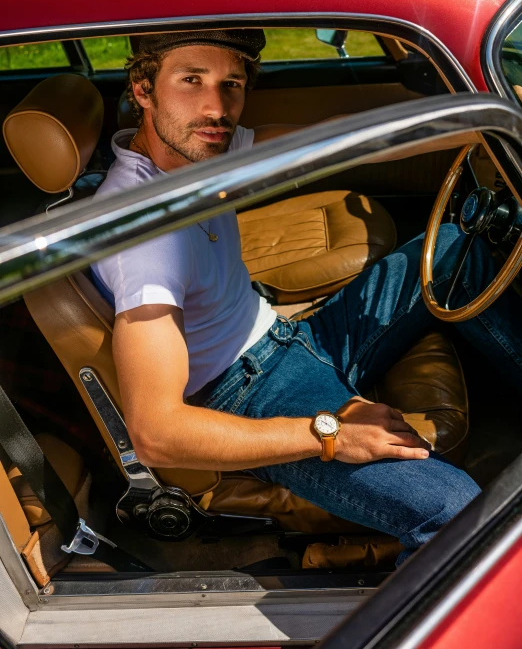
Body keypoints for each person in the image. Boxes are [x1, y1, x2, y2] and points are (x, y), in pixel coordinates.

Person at [92, 28, 522, 562]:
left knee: (458, 247)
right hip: (249, 398)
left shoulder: (198, 152)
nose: (216, 106)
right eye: (191, 81)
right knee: (460, 517)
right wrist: (332, 433)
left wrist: (494, 119)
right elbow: (157, 432)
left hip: (289, 335)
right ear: (142, 88)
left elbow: (346, 137)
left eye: (231, 84)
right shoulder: (142, 238)